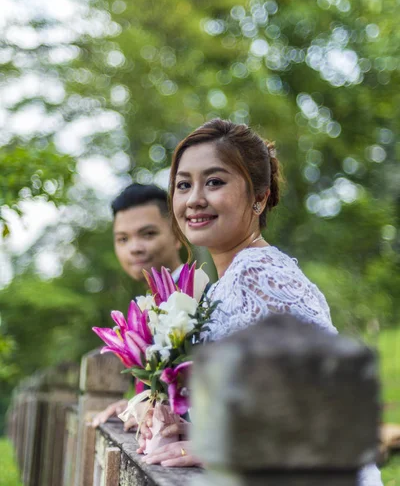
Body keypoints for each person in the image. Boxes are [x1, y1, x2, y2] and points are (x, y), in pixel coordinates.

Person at [140, 119, 382, 486]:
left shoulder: (260, 273)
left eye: (215, 182)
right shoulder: (227, 284)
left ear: (259, 196)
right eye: (183, 185)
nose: (194, 199)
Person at [92, 183, 183, 428]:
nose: (134, 248)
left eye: (148, 234)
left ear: (178, 234)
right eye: (123, 239)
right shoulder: (145, 306)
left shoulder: (198, 297)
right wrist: (134, 403)